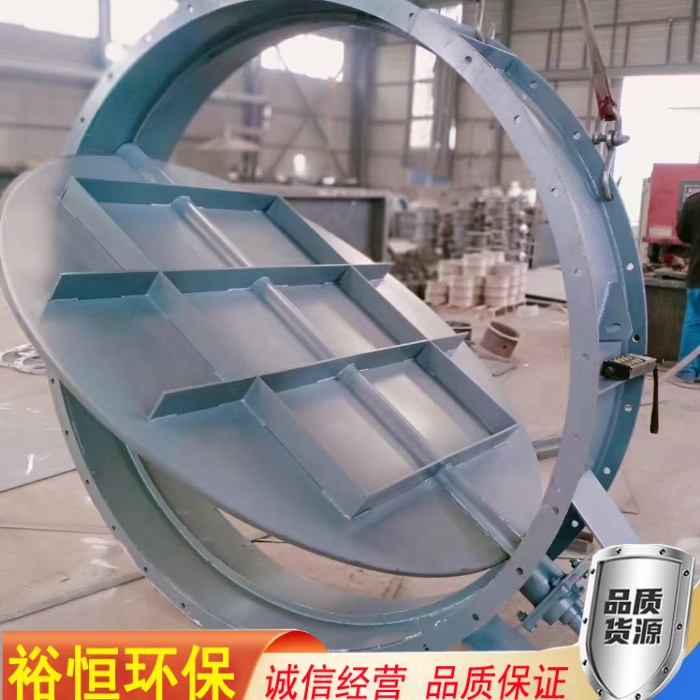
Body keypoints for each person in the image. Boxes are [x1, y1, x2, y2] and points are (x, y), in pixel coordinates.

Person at [675, 191, 700, 383]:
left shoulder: (694, 201)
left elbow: (683, 234)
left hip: (698, 274)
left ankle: (688, 371)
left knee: (694, 321)